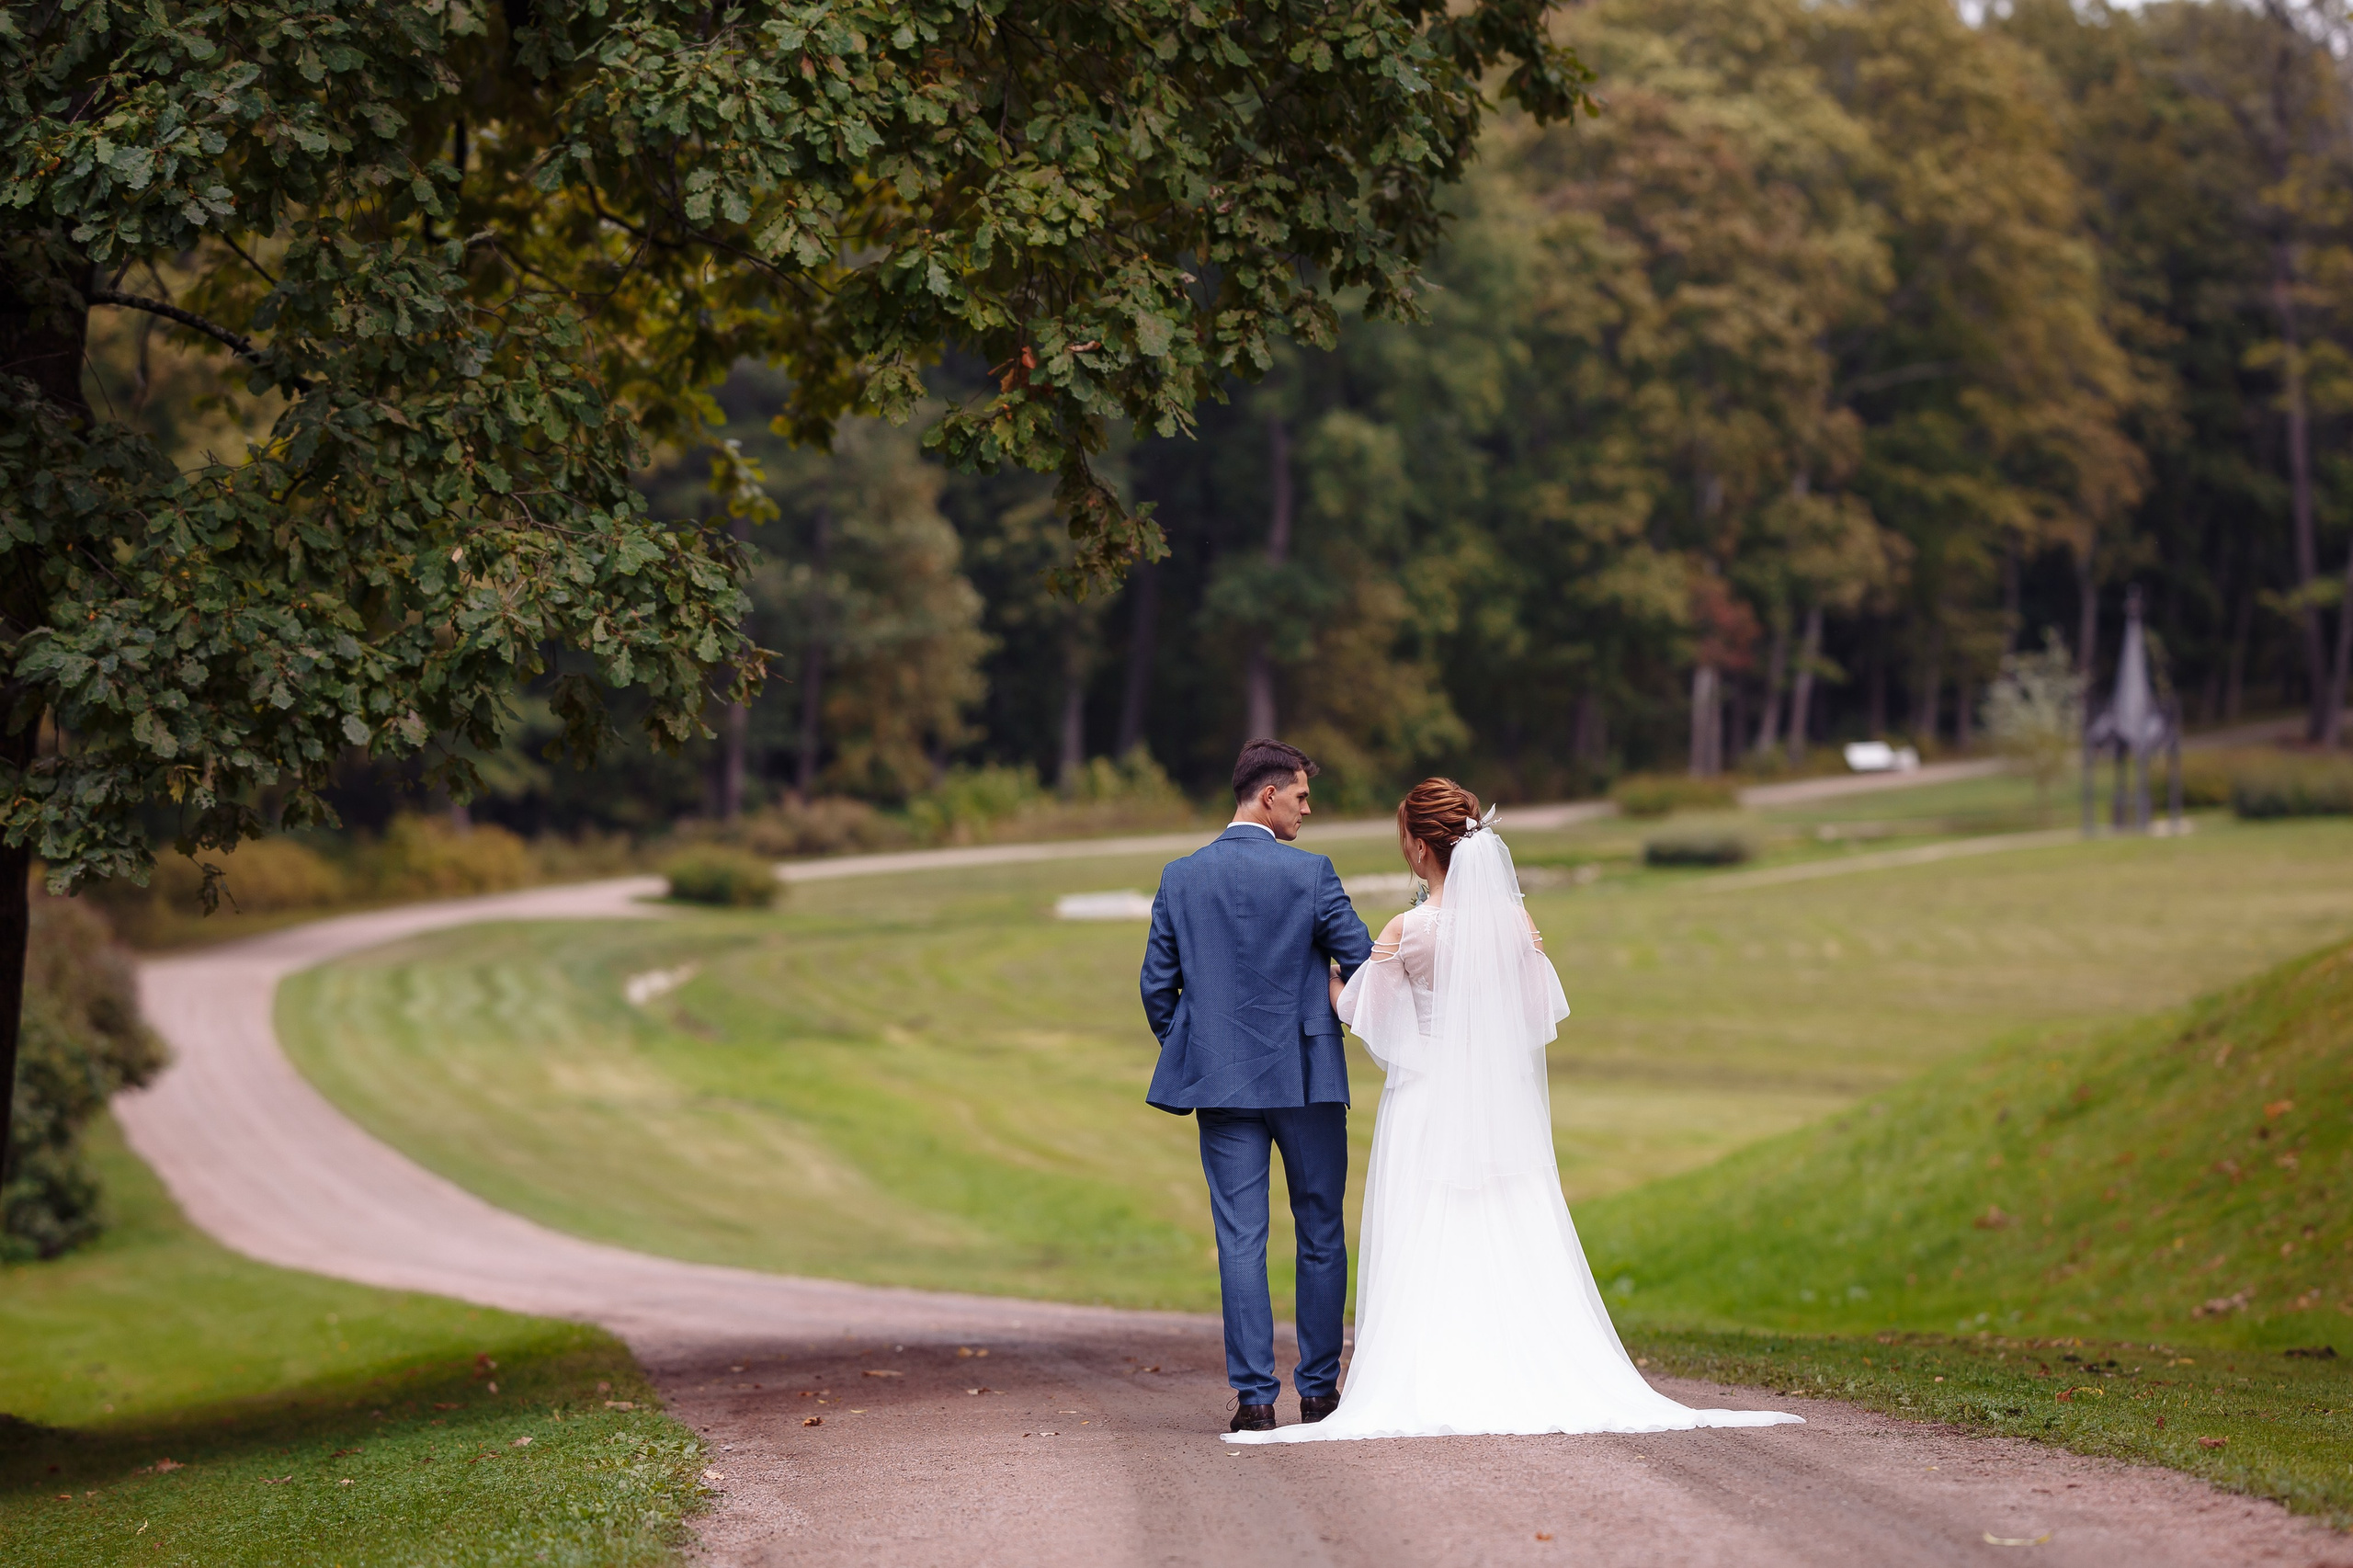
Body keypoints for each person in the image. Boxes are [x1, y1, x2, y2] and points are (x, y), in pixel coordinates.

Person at [1224, 778, 1801, 1443]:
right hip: (1498, 1103)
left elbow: (1364, 1013)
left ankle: (1434, 1369)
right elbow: (1535, 1013)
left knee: (1426, 1233)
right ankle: (1518, 1358)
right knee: (1505, 1223)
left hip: (1426, 1100)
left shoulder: (1408, 930)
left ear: (1419, 848)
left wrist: (1323, 976)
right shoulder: (1517, 925)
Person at [1140, 739, 1373, 1433]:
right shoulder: (1311, 874)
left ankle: (1254, 1400)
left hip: (1222, 1084)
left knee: (1240, 1237)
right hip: (1306, 1079)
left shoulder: (1181, 878)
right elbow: (1362, 962)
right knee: (1320, 1228)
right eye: (1301, 796)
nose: (1308, 809)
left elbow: (1157, 988)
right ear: (1268, 795)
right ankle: (1319, 1393)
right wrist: (1326, 995)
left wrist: (1204, 1048)